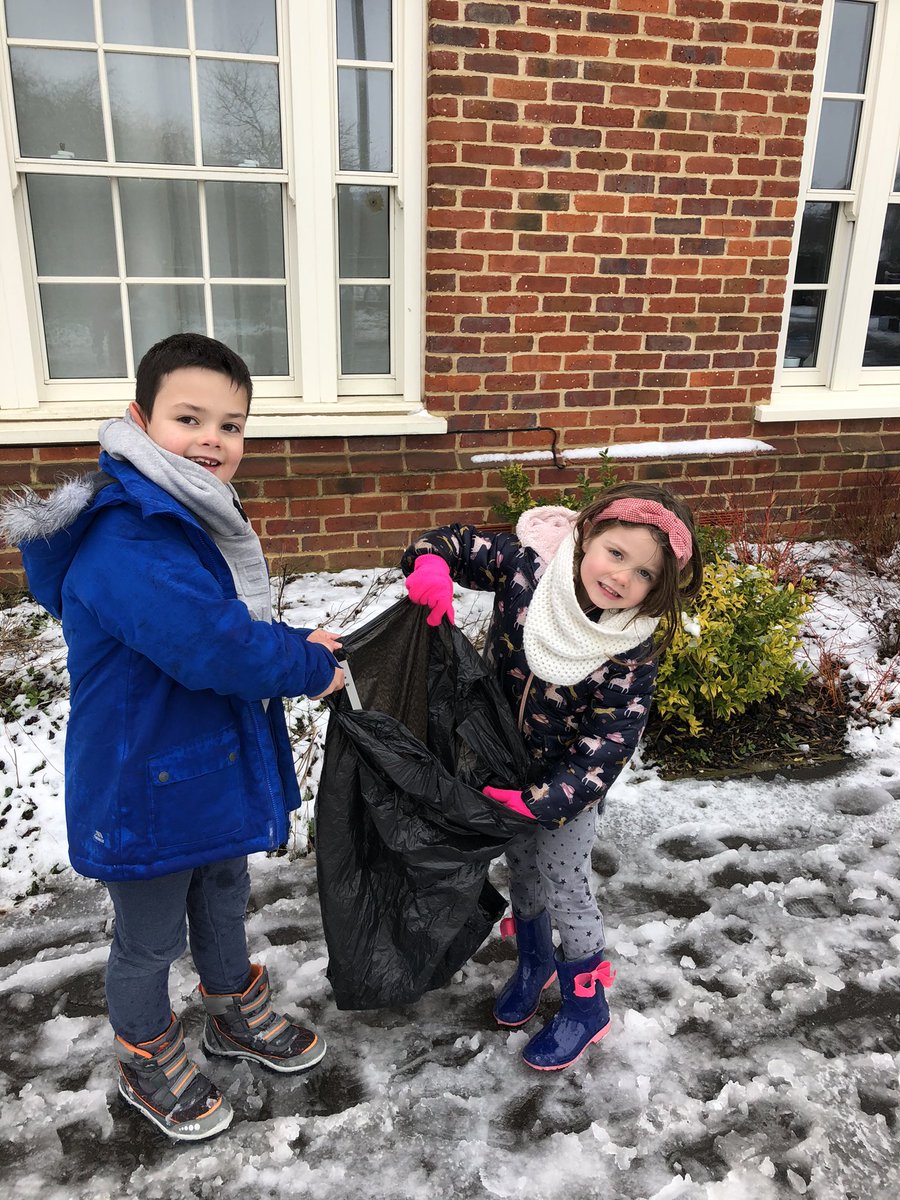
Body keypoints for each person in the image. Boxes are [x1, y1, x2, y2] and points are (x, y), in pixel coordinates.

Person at [0, 333, 344, 1141]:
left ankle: (228, 1006)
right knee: (149, 933)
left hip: (201, 764)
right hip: (141, 782)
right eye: (189, 418)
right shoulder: (130, 537)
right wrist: (300, 666)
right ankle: (143, 1049)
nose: (212, 440)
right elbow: (210, 646)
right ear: (138, 418)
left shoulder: (187, 514)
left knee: (223, 894)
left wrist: (298, 643)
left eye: (231, 425)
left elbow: (223, 622)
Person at [402, 482, 702, 1071]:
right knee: (522, 873)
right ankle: (534, 963)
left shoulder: (629, 650)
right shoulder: (527, 571)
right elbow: (455, 544)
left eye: (643, 575)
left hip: (567, 794)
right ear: (587, 533)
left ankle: (587, 1005)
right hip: (503, 766)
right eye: (616, 553)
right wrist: (432, 564)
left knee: (566, 885)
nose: (620, 578)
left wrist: (539, 801)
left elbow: (605, 748)